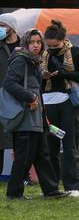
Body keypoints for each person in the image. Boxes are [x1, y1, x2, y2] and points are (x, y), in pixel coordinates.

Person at [4, 29, 70, 200]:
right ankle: (14, 193)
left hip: (36, 117)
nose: (36, 45)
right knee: (23, 157)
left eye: (38, 42)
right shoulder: (20, 60)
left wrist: (42, 114)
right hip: (24, 116)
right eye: (32, 42)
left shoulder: (34, 62)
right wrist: (30, 96)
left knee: (42, 155)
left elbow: (35, 89)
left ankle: (51, 190)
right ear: (26, 43)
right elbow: (9, 84)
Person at [42, 20, 79, 197]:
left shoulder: (76, 52)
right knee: (50, 147)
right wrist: (44, 76)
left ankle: (72, 185)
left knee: (70, 145)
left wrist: (66, 74)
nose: (52, 49)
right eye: (49, 45)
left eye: (55, 45)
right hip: (48, 104)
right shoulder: (43, 54)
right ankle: (52, 186)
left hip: (69, 104)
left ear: (64, 40)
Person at [0, 13, 21, 173]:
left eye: (3, 25)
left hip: (21, 96)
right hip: (2, 96)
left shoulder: (25, 46)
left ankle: (23, 173)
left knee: (22, 136)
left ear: (12, 27)